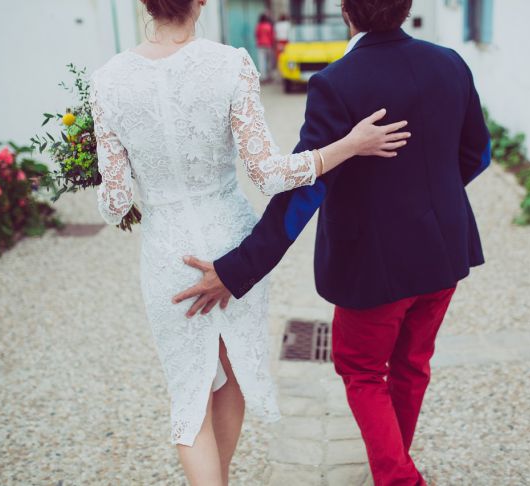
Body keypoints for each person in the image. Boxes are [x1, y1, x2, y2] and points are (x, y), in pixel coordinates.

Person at [89, 0, 410, 484]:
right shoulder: (230, 64)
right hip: (229, 244)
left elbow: (115, 204)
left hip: (167, 254)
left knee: (188, 397)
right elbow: (267, 174)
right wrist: (349, 145)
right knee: (231, 375)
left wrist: (100, 169)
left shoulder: (107, 81)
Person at [173, 0, 492, 484]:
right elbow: (478, 154)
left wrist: (238, 269)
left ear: (345, 10)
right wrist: (428, 206)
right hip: (444, 251)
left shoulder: (336, 82)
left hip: (375, 265)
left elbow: (304, 192)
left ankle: (399, 478)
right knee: (411, 365)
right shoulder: (450, 63)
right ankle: (394, 462)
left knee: (361, 368)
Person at [255, 14, 275, 82]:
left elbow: (256, 35)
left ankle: (263, 77)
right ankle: (269, 76)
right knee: (269, 62)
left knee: (262, 62)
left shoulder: (258, 26)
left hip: (261, 45)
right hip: (268, 45)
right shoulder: (268, 26)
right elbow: (272, 36)